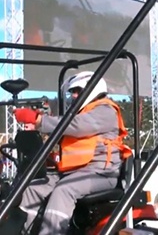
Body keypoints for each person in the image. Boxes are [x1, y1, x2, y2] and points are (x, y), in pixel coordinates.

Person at [8, 71, 131, 235]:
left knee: (63, 191)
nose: (73, 96)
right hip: (75, 172)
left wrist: (38, 120)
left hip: (101, 173)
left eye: (77, 91)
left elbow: (77, 126)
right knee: (33, 188)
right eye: (72, 92)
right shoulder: (84, 112)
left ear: (92, 89)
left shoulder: (105, 110)